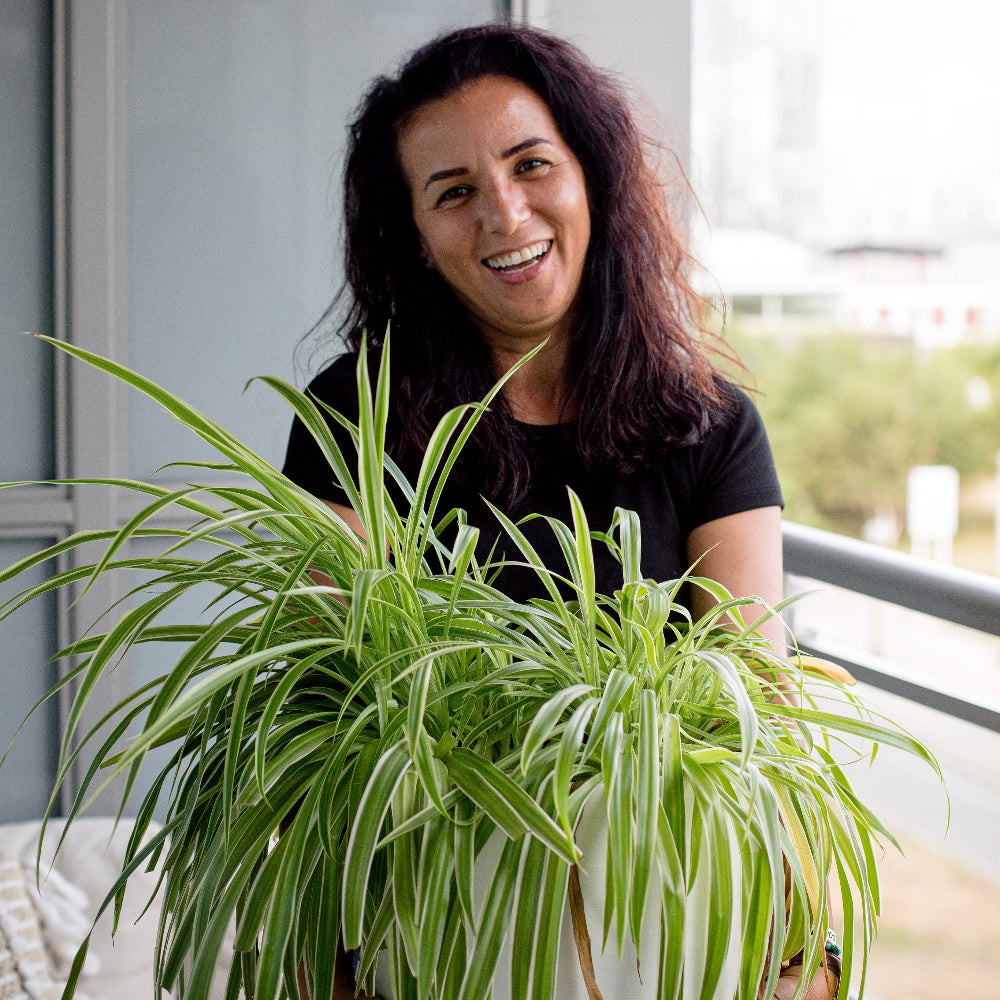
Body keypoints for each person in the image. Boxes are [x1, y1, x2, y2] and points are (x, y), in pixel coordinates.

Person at [282, 22, 837, 1000]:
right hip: (439, 933)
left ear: (592, 174)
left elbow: (759, 714)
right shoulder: (355, 413)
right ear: (413, 233)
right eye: (452, 192)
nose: (503, 213)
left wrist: (799, 953)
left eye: (531, 163)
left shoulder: (709, 424)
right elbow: (323, 720)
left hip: (657, 924)